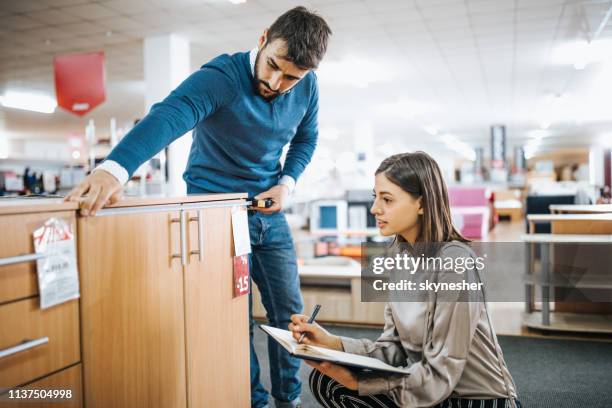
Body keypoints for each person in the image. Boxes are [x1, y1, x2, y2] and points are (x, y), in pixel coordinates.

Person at [65, 7, 332, 408]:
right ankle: (254, 401)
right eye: (274, 66)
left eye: (290, 77)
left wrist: (286, 183)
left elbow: (306, 140)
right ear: (262, 39)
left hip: (266, 214)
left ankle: (288, 399)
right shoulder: (222, 77)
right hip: (215, 212)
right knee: (233, 320)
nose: (276, 83)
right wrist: (115, 169)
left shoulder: (307, 88)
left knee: (290, 313)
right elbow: (171, 115)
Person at [289, 152, 521, 408]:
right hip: (431, 388)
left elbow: (443, 370)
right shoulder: (400, 257)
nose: (374, 208)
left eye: (387, 199)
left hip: (478, 399)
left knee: (350, 385)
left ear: (421, 204)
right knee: (327, 382)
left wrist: (359, 383)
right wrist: (329, 341)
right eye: (375, 197)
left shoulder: (455, 262)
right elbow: (393, 350)